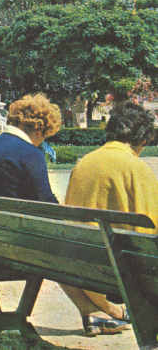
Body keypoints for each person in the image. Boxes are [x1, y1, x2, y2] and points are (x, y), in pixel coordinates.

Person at [59, 101, 158, 337]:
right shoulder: (136, 168)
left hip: (82, 265)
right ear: (143, 139)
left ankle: (100, 313)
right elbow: (151, 230)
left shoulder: (84, 163)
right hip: (124, 271)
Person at [0, 93, 62, 203]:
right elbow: (47, 202)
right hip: (19, 214)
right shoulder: (31, 154)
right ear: (39, 130)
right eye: (45, 136)